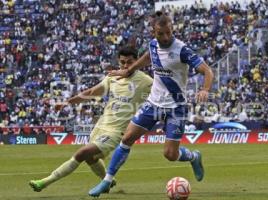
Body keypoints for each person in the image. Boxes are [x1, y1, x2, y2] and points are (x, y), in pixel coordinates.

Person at [88, 11, 214, 197]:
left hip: (176, 108)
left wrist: (204, 89)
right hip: (153, 104)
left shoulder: (182, 50)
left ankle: (194, 156)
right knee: (127, 138)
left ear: (172, 30)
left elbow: (208, 71)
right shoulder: (153, 45)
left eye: (168, 33)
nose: (165, 37)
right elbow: (148, 57)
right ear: (153, 32)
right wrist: (128, 71)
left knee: (170, 154)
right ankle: (106, 181)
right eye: (160, 33)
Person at [29, 46, 153, 192]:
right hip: (101, 126)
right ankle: (108, 182)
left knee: (82, 153)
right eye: (122, 62)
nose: (125, 66)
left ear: (137, 61)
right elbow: (92, 92)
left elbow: (164, 92)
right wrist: (67, 102)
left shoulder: (145, 81)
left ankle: (44, 182)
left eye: (129, 62)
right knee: (91, 158)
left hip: (116, 131)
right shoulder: (112, 77)